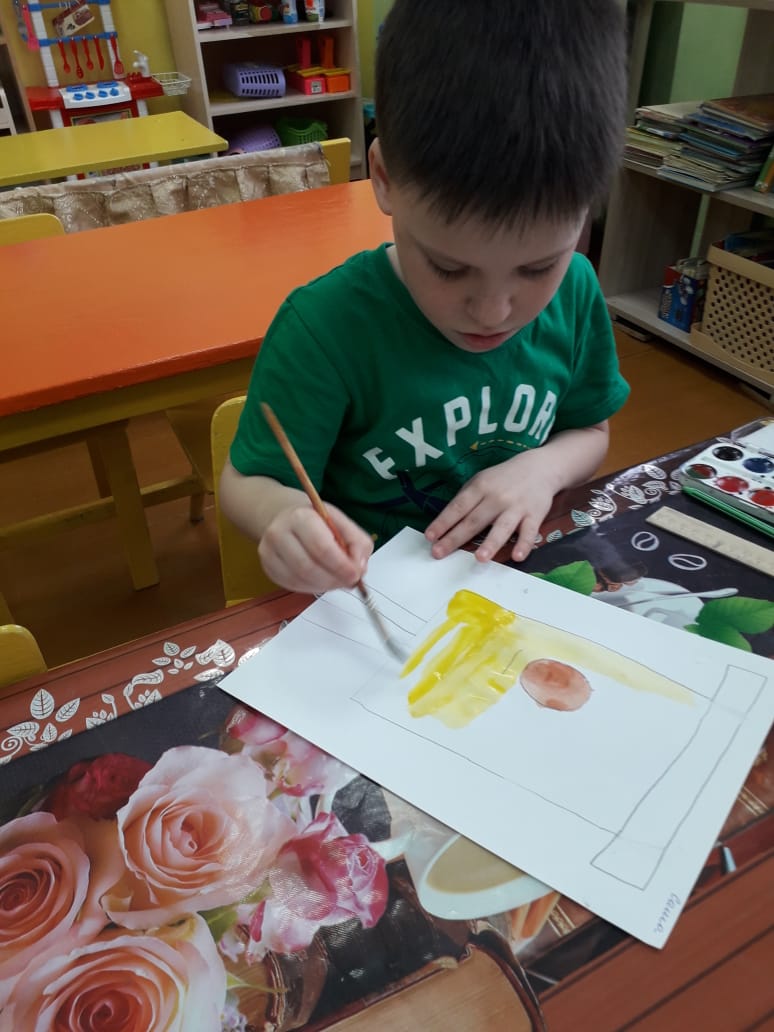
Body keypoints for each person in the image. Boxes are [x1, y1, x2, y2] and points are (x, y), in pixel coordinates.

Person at [220, 0, 631, 596]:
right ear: (384, 179)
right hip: (370, 604)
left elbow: (590, 430)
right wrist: (281, 517)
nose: (493, 312)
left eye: (539, 267)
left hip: (515, 590)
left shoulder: (577, 291)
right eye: (449, 267)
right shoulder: (325, 328)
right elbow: (245, 483)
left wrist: (542, 469)